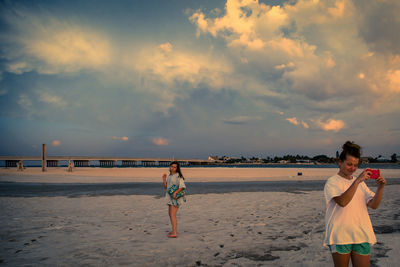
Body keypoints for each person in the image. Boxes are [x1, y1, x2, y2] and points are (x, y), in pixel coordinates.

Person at [323, 141, 386, 267]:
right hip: (340, 235)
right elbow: (342, 202)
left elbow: (373, 205)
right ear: (340, 162)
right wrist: (357, 181)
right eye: (349, 164)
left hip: (362, 233)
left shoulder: (361, 183)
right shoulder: (332, 182)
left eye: (355, 165)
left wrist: (380, 188)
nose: (352, 168)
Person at [162, 161, 186, 238]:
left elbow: (182, 186)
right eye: (171, 166)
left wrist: (175, 192)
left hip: (175, 197)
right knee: (170, 214)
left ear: (177, 168)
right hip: (170, 197)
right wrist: (164, 179)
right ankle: (174, 230)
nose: (172, 168)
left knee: (172, 215)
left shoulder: (178, 176)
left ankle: (174, 233)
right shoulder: (170, 176)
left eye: (174, 167)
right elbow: (166, 187)